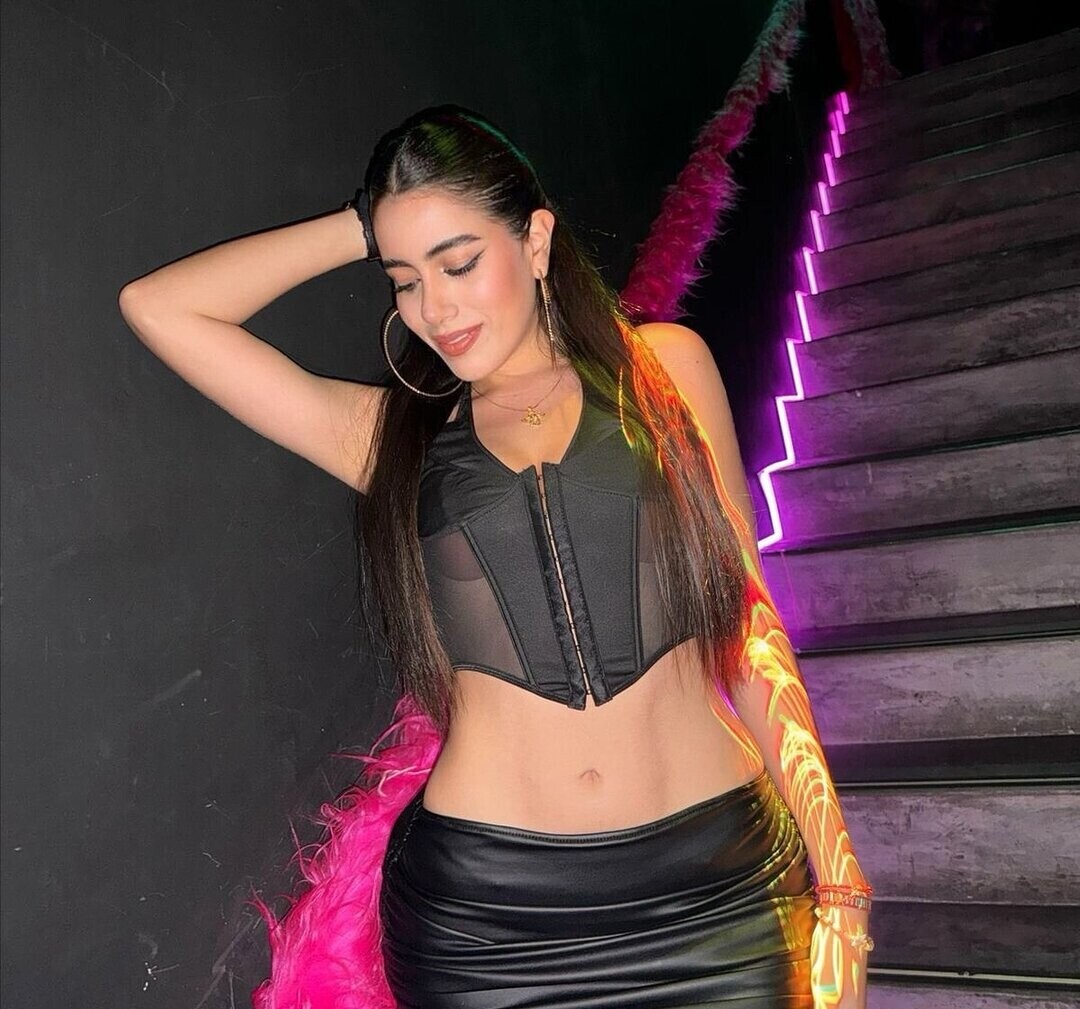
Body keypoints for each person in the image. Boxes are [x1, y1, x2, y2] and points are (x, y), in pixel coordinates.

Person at [118, 104, 873, 1009]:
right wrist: (367, 223)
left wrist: (842, 881)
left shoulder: (663, 372)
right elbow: (162, 309)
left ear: (537, 240)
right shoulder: (397, 439)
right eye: (404, 279)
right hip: (489, 922)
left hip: (718, 891)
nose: (434, 308)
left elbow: (750, 626)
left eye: (459, 262)